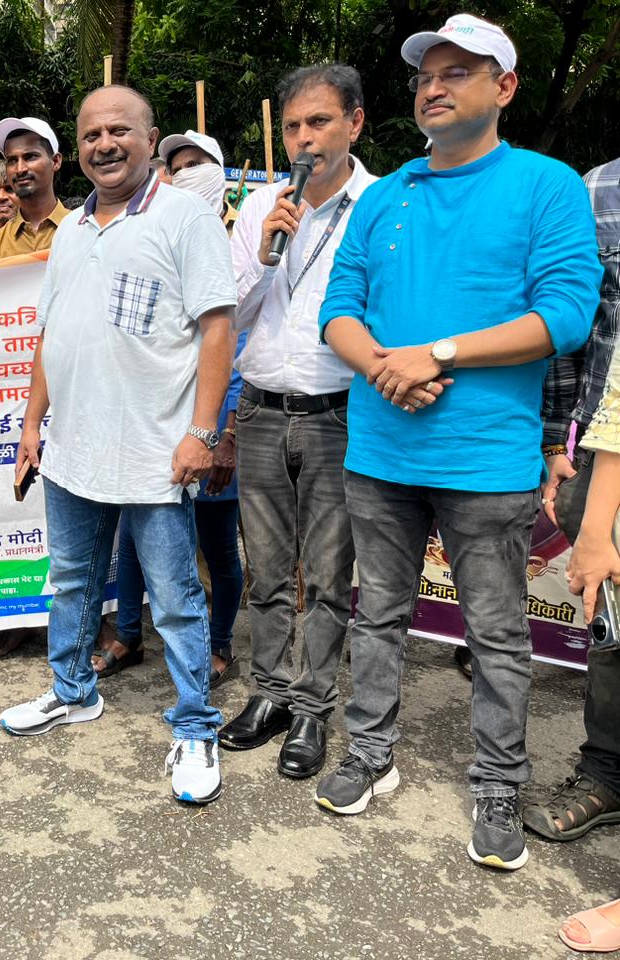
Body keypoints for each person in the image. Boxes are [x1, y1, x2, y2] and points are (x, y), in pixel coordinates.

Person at [316, 16, 601, 870]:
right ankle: (370, 751)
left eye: (458, 71)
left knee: (497, 633)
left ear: (505, 88)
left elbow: (565, 316)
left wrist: (436, 354)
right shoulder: (385, 195)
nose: (433, 86)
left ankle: (498, 783)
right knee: (380, 616)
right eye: (424, 75)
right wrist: (382, 369)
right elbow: (338, 307)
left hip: (486, 459)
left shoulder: (547, 188)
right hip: (379, 449)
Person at [0, 85, 237, 806]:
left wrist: (202, 432)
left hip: (154, 451)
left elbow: (218, 330)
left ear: (149, 136)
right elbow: (52, 336)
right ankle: (73, 691)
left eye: (120, 131)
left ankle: (196, 725)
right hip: (73, 447)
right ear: (79, 147)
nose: (105, 144)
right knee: (72, 579)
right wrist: (31, 425)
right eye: (92, 133)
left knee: (175, 597)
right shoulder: (71, 228)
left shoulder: (185, 217)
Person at [216, 64, 377, 781]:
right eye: (292, 127)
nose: (304, 139)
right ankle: (270, 691)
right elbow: (229, 319)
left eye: (319, 122)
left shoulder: (380, 205)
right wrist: (260, 255)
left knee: (329, 571)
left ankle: (313, 704)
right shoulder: (262, 207)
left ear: (355, 124)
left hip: (338, 415)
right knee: (268, 571)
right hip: (260, 410)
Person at [94, 130, 243, 688]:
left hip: (213, 425)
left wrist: (222, 432)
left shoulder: (241, 244)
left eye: (197, 164)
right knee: (136, 535)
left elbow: (236, 347)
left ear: (221, 174)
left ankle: (218, 642)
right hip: (154, 423)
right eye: (174, 166)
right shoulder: (152, 233)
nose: (183, 174)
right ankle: (129, 632)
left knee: (216, 542)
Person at [528, 154, 620, 952]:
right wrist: (563, 439)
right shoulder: (597, 190)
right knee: (612, 629)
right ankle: (607, 773)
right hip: (605, 443)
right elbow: (588, 337)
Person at [0, 117, 69, 263]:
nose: (20, 169)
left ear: (56, 161)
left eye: (30, 157)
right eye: (12, 160)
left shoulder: (82, 230)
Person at [157, 130, 225, 212]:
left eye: (193, 165)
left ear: (217, 167)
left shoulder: (241, 222)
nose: (183, 174)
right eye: (176, 171)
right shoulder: (164, 223)